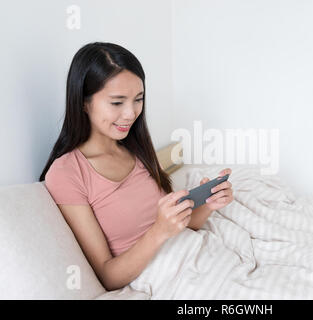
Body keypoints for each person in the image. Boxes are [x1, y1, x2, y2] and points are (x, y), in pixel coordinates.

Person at [39, 42, 234, 291]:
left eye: (138, 99)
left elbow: (182, 225)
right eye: (117, 102)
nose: (131, 113)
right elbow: (108, 277)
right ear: (83, 102)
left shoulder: (136, 148)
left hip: (202, 252)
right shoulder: (67, 172)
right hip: (169, 276)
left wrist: (209, 203)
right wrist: (158, 231)